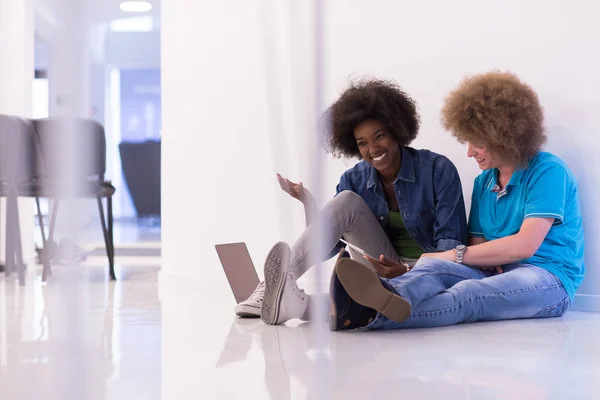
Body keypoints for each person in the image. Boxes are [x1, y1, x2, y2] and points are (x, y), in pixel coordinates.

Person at [331, 71, 584, 330]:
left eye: (477, 143)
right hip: (497, 271)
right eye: (467, 142)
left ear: (505, 136)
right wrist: (447, 260)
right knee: (434, 270)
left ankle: (367, 315)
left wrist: (453, 254)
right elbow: (479, 244)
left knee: (469, 294)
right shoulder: (484, 183)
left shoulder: (548, 171)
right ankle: (383, 295)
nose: (469, 152)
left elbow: (525, 246)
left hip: (548, 279)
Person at [234, 78, 468, 327]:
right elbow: (329, 247)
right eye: (362, 143)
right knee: (346, 201)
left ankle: (299, 305)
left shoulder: (437, 170)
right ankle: (275, 286)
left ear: (397, 131)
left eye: (379, 136)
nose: (373, 148)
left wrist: (409, 273)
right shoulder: (354, 179)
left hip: (431, 273)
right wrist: (309, 203)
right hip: (377, 271)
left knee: (359, 305)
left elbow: (452, 247)